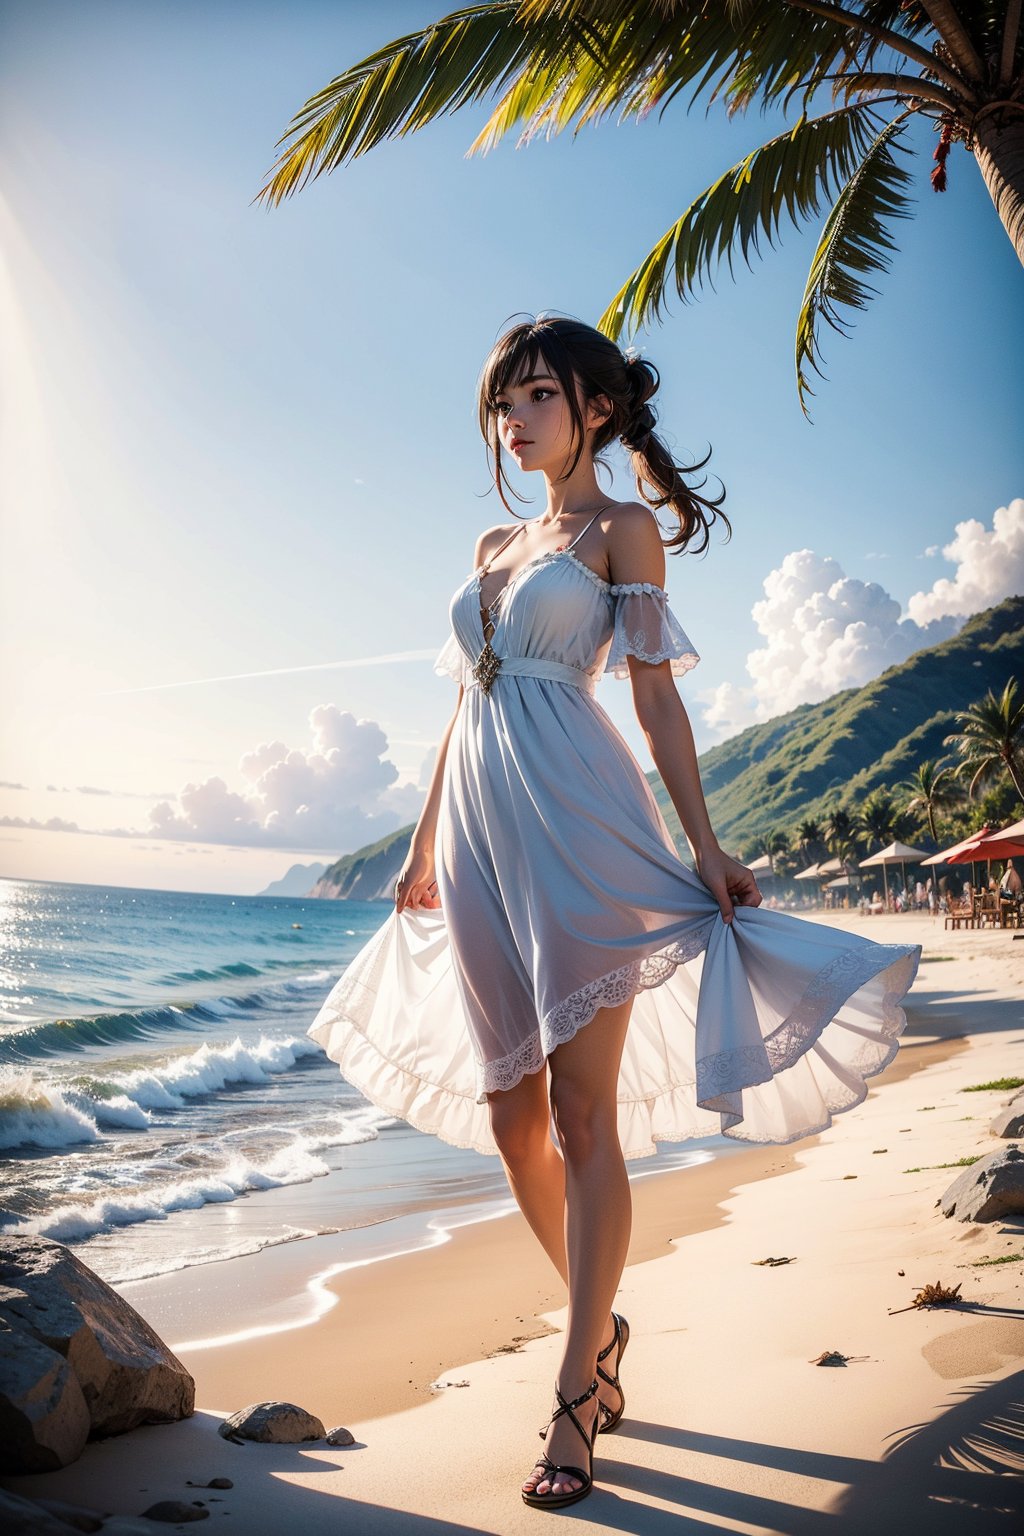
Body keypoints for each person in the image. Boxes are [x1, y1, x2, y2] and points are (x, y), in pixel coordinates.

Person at [307, 315, 921, 1512]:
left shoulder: (621, 529)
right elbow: (460, 710)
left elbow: (654, 700)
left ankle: (577, 1387)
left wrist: (705, 844)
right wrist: (427, 842)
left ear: (592, 407)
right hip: (482, 843)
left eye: (534, 396)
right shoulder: (495, 539)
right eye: (502, 403)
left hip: (584, 829)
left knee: (582, 1118)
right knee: (511, 1118)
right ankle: (604, 1327)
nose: (513, 421)